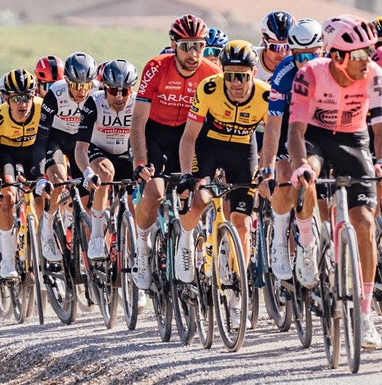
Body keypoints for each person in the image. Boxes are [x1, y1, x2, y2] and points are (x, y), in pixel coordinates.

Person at [286, 17, 382, 351]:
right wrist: (300, 165)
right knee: (308, 177)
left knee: (364, 221)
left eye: (370, 53)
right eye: (361, 55)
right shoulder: (310, 74)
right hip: (316, 138)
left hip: (354, 138)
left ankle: (364, 314)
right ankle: (307, 242)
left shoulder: (374, 74)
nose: (369, 60)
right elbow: (295, 132)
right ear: (337, 57)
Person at [128, 15, 221, 288]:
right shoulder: (156, 68)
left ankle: (188, 243)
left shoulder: (212, 72)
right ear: (173, 44)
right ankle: (143, 248)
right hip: (156, 133)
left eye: (199, 46)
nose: (193, 54)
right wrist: (140, 160)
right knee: (155, 192)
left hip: (190, 135)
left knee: (200, 193)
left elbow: (215, 123)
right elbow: (138, 121)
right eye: (186, 46)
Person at [177, 41, 268, 281]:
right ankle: (185, 243)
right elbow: (188, 137)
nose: (236, 83)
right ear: (222, 73)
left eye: (242, 76)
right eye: (229, 76)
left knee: (243, 223)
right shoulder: (208, 89)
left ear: (253, 74)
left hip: (244, 151)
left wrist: (267, 169)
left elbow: (273, 137)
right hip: (210, 147)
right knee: (199, 199)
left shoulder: (264, 95)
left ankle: (239, 286)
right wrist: (187, 174)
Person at [258, 18, 323, 283]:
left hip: (320, 126)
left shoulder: (333, 67)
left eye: (312, 55)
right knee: (285, 173)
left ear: (322, 50)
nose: (306, 62)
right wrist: (266, 168)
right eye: (299, 56)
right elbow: (272, 128)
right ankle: (281, 236)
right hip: (289, 125)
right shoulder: (284, 74)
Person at [0, 69, 53, 280]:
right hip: (7, 155)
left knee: (41, 197)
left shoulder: (41, 108)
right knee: (8, 197)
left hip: (33, 152)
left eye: (27, 97)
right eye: (17, 98)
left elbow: (46, 144)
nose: (23, 103)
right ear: (6, 98)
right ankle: (8, 259)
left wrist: (42, 176)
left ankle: (43, 243)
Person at [76, 59, 138, 263]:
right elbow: (80, 148)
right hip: (97, 151)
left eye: (125, 91)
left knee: (134, 204)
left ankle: (135, 255)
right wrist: (87, 172)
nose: (119, 97)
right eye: (113, 91)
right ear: (104, 88)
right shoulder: (93, 103)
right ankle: (96, 235)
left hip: (124, 153)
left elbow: (144, 141)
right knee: (105, 173)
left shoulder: (138, 104)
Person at [41, 52, 97, 264]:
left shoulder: (98, 91)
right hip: (55, 138)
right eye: (76, 85)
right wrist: (39, 173)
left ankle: (77, 228)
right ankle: (47, 226)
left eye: (86, 85)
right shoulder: (55, 93)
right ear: (66, 81)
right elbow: (41, 137)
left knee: (85, 194)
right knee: (59, 178)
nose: (82, 91)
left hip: (81, 141)